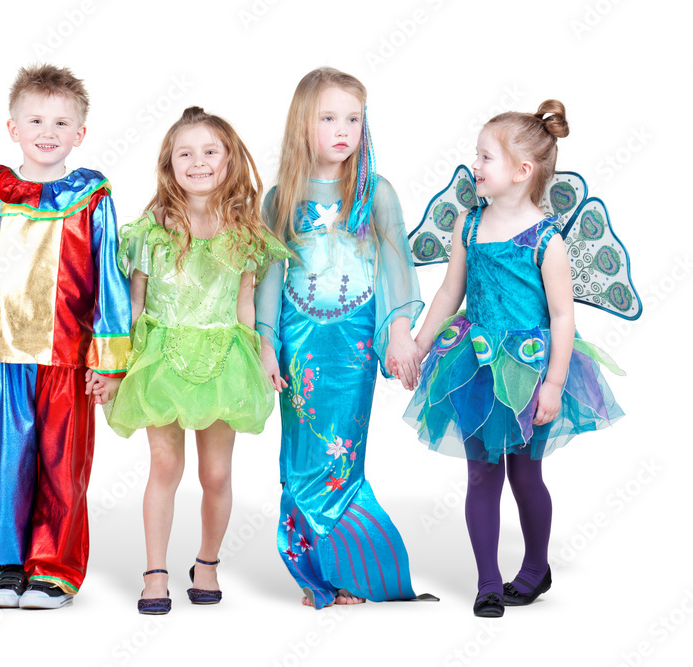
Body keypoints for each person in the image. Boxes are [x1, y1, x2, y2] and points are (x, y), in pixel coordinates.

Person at [400, 100, 625, 617]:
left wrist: (553, 383)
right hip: (475, 366)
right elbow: (449, 293)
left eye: (485, 158)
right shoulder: (468, 226)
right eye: (476, 155)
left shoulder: (548, 241)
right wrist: (419, 342)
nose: (475, 166)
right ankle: (487, 580)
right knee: (482, 475)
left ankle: (535, 567)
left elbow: (563, 317)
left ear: (523, 172)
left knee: (526, 475)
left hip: (530, 368)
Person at [0, 64, 132, 609]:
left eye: (62, 121)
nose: (48, 130)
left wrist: (109, 359)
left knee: (61, 466)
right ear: (13, 127)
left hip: (66, 355)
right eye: (36, 119)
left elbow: (109, 278)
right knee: (4, 462)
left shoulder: (91, 196)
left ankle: (55, 569)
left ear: (80, 134)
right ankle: (11, 563)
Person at [255, 68, 429, 609]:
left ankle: (350, 567)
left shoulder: (375, 192)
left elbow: (397, 263)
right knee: (302, 455)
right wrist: (264, 342)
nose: (342, 129)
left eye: (353, 118)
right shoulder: (280, 197)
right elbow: (267, 277)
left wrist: (400, 330)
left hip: (353, 343)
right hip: (299, 342)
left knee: (343, 455)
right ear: (302, 124)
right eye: (328, 117)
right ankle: (313, 572)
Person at [106, 106, 288, 615]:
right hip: (160, 358)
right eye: (185, 152)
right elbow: (135, 304)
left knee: (216, 475)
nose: (199, 161)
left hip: (223, 360)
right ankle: (155, 570)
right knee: (165, 466)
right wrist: (115, 367)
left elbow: (246, 305)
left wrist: (262, 354)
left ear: (229, 160)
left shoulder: (247, 234)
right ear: (169, 163)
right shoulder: (150, 230)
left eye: (211, 151)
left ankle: (206, 561)